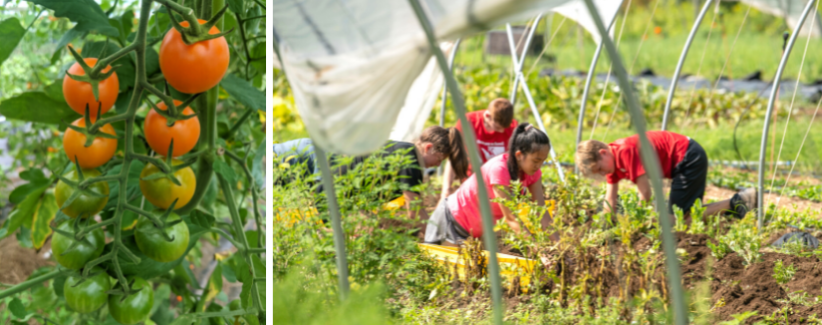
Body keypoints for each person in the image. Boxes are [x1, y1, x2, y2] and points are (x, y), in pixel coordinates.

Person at [275, 126, 469, 222]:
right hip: (308, 162)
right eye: (440, 160)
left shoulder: (401, 152)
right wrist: (435, 235)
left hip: (320, 175)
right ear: (428, 148)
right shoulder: (411, 158)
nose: (437, 165)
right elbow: (415, 212)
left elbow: (363, 195)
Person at [574, 131, 757, 221]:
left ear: (604, 153)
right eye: (597, 173)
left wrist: (637, 222)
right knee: (681, 218)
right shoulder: (612, 166)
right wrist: (606, 227)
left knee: (673, 222)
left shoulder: (625, 151)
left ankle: (740, 202)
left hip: (688, 157)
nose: (601, 173)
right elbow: (610, 200)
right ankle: (737, 204)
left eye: (599, 168)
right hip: (683, 161)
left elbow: (645, 194)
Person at [425, 123, 556, 246]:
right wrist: (538, 252)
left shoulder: (534, 173)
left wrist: (561, 248)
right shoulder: (499, 169)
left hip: (473, 231)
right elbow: (511, 218)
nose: (539, 166)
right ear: (519, 155)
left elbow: (542, 213)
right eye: (536, 160)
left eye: (543, 161)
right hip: (450, 221)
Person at [441, 98, 517, 201]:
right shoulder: (468, 123)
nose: (502, 131)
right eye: (497, 127)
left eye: (504, 128)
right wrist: (446, 189)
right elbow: (454, 156)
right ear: (487, 116)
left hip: (499, 185)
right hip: (471, 184)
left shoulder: (513, 127)